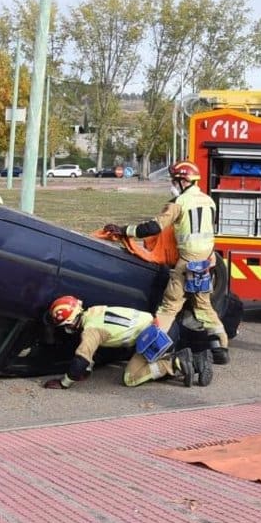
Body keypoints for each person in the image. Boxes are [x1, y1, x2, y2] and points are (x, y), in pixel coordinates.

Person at [104, 160, 230, 364]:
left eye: (174, 180)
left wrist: (125, 230)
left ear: (183, 181)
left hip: (187, 262)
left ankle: (153, 350)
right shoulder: (209, 201)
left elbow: (154, 227)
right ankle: (220, 347)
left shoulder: (178, 203)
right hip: (207, 262)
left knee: (169, 307)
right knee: (203, 306)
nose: (172, 183)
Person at [40, 296, 212, 389]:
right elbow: (94, 353)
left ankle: (176, 363)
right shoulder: (95, 311)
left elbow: (82, 359)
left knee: (131, 378)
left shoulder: (90, 331)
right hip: (162, 325)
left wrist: (64, 382)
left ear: (70, 323)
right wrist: (88, 369)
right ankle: (197, 358)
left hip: (156, 338)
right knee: (145, 366)